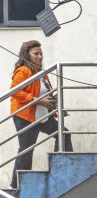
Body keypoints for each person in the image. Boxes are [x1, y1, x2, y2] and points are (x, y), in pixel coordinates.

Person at [8, 39, 72, 188]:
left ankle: (60, 167)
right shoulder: (23, 70)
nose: (40, 56)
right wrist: (38, 100)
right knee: (26, 150)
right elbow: (15, 91)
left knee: (64, 134)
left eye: (41, 53)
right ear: (26, 55)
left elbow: (48, 95)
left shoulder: (42, 74)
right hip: (25, 117)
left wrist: (58, 108)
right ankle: (16, 186)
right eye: (36, 53)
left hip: (43, 116)